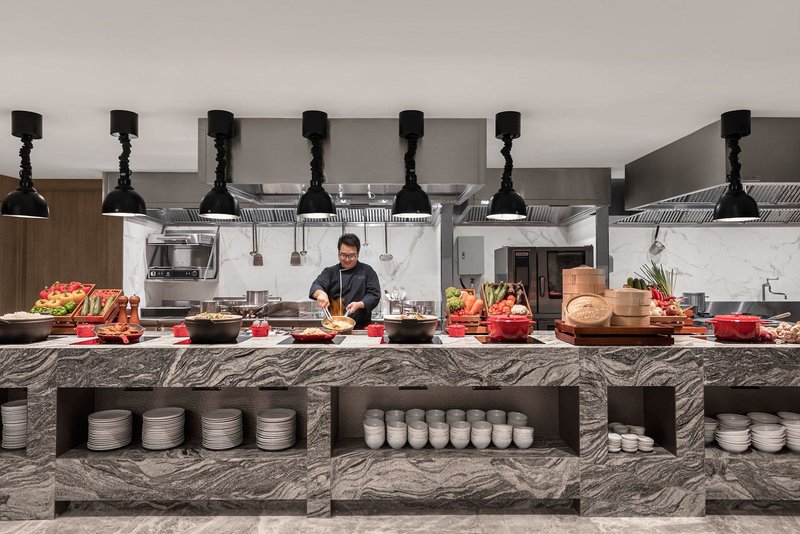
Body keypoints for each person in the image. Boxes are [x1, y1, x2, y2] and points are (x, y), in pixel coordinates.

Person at [309, 233, 381, 329]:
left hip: (360, 328)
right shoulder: (330, 272)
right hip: (333, 327)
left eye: (351, 256)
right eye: (344, 255)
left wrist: (359, 304)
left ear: (358, 254)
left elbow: (374, 295)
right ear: (338, 254)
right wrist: (320, 294)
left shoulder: (367, 271)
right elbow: (317, 285)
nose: (347, 259)